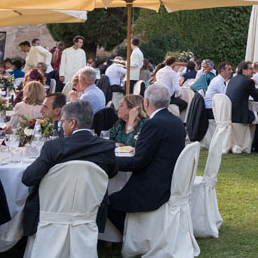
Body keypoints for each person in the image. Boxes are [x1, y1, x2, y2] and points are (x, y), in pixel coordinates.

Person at [20, 99, 117, 237]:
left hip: (52, 211)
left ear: (72, 123)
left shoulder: (54, 147)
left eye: (63, 121)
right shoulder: (106, 147)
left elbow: (28, 178)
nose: (61, 125)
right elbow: (112, 173)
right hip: (89, 211)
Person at [108, 84, 187, 236]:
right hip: (170, 179)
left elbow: (137, 163)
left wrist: (110, 161)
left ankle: (135, 237)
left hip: (153, 186)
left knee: (108, 202)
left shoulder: (153, 123)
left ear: (146, 102)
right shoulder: (175, 120)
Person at [226, 61, 258, 152]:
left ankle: (253, 141)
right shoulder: (248, 81)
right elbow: (257, 97)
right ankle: (256, 145)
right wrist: (255, 85)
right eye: (250, 69)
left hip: (230, 113)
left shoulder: (233, 80)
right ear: (244, 71)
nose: (253, 71)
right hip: (240, 115)